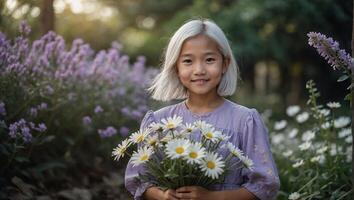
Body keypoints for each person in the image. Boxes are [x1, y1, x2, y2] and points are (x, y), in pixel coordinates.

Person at [125, 19, 280, 200]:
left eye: (209, 60)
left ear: (225, 64)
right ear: (176, 67)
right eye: (188, 61)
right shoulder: (158, 122)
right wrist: (162, 195)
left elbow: (263, 186)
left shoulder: (245, 120)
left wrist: (211, 197)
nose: (199, 70)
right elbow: (140, 180)